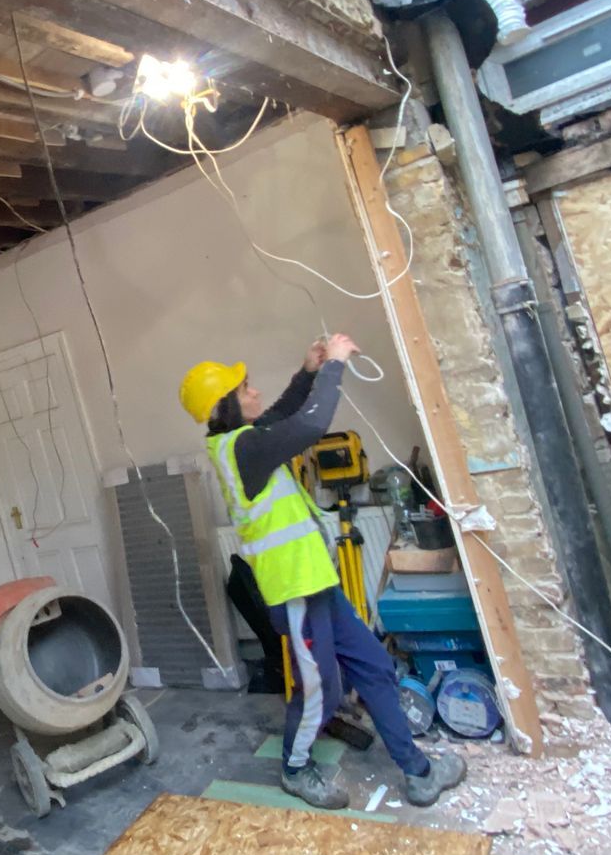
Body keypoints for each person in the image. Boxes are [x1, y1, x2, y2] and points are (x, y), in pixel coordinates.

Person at [181, 339, 467, 811]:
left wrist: (308, 370)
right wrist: (334, 366)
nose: (255, 393)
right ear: (224, 404)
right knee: (321, 688)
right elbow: (311, 423)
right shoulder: (244, 449)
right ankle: (296, 769)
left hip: (317, 584)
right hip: (294, 590)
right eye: (245, 388)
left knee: (374, 666)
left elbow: (282, 411)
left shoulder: (246, 439)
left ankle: (419, 771)